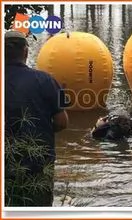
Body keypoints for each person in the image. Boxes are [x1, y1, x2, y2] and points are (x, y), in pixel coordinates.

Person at [5, 30, 68, 206]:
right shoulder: (47, 80)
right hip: (38, 165)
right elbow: (63, 122)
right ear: (26, 52)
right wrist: (41, 127)